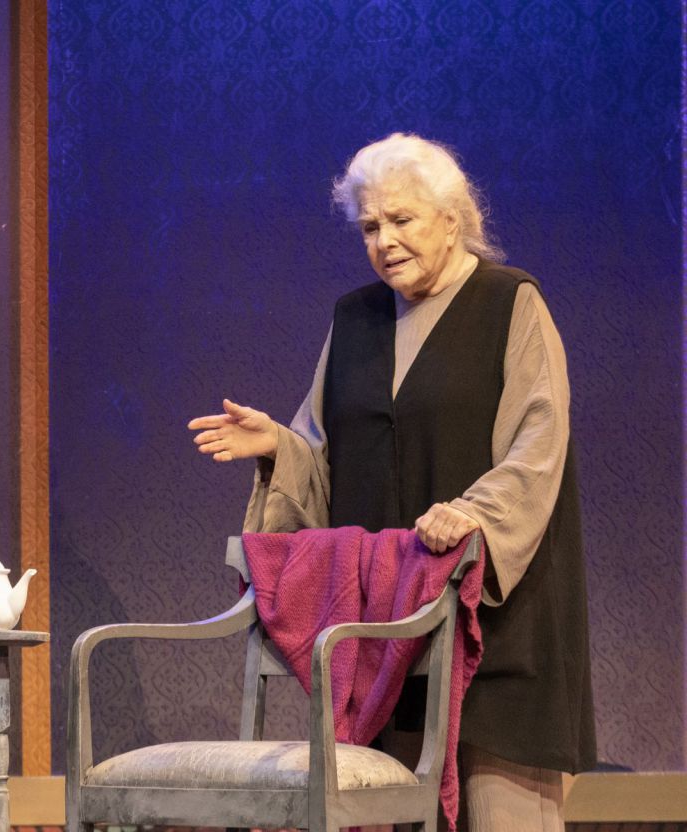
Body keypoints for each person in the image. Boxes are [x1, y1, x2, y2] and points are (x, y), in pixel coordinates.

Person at [188, 134, 595, 832]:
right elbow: (324, 457)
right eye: (370, 227)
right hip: (391, 641)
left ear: (452, 218)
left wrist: (473, 514)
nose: (385, 241)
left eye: (402, 220)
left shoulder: (510, 303)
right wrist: (280, 448)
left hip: (499, 638)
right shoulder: (355, 319)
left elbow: (538, 444)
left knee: (501, 815)